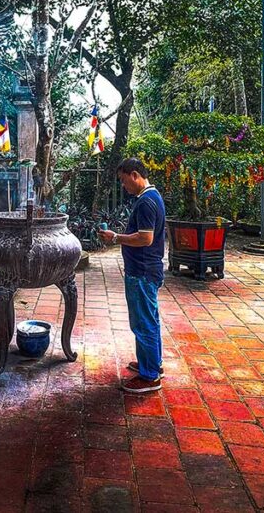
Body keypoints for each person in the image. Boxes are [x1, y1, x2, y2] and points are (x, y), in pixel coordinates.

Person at [98, 158, 166, 394]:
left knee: (143, 323)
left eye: (124, 180)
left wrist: (115, 237)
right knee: (150, 319)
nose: (123, 185)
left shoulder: (147, 202)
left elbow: (145, 238)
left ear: (135, 175)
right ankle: (153, 364)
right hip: (148, 269)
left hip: (143, 272)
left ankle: (149, 377)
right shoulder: (152, 196)